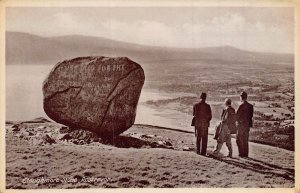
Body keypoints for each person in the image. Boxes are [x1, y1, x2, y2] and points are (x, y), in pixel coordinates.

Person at [236, 91, 254, 158]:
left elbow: (237, 116)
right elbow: (251, 116)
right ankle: (245, 154)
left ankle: (241, 154)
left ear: (241, 97)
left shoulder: (241, 106)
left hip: (241, 125)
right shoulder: (250, 106)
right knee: (245, 140)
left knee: (238, 139)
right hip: (247, 125)